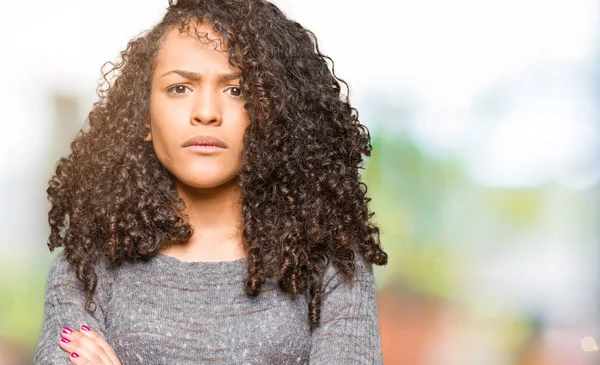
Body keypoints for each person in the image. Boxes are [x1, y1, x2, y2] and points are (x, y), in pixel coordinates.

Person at [34, 0, 388, 363]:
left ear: (274, 112)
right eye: (179, 88)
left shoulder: (332, 264)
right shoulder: (85, 265)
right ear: (143, 117)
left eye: (236, 90)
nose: (206, 113)